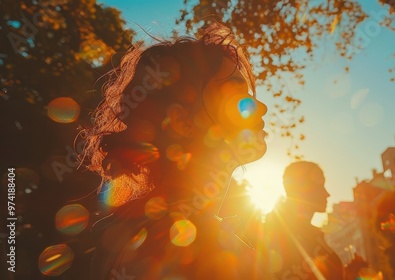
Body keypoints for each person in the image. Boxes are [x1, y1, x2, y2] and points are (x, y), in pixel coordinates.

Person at [81, 22, 271, 279]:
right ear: (182, 122)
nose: (260, 108)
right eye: (237, 93)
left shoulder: (147, 230)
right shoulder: (182, 244)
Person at [262, 161, 344, 279]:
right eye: (321, 186)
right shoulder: (277, 235)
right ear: (302, 189)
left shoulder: (310, 235)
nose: (327, 194)